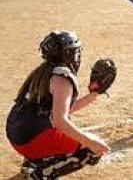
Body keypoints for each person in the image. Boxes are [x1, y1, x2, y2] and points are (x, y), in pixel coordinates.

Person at [6, 30, 110, 179]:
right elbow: (60, 121)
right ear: (66, 54)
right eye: (74, 52)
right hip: (30, 141)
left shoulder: (43, 71)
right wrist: (90, 142)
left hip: (16, 134)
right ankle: (40, 175)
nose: (77, 56)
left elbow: (62, 110)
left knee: (47, 126)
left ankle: (30, 163)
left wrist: (93, 95)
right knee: (92, 151)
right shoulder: (63, 79)